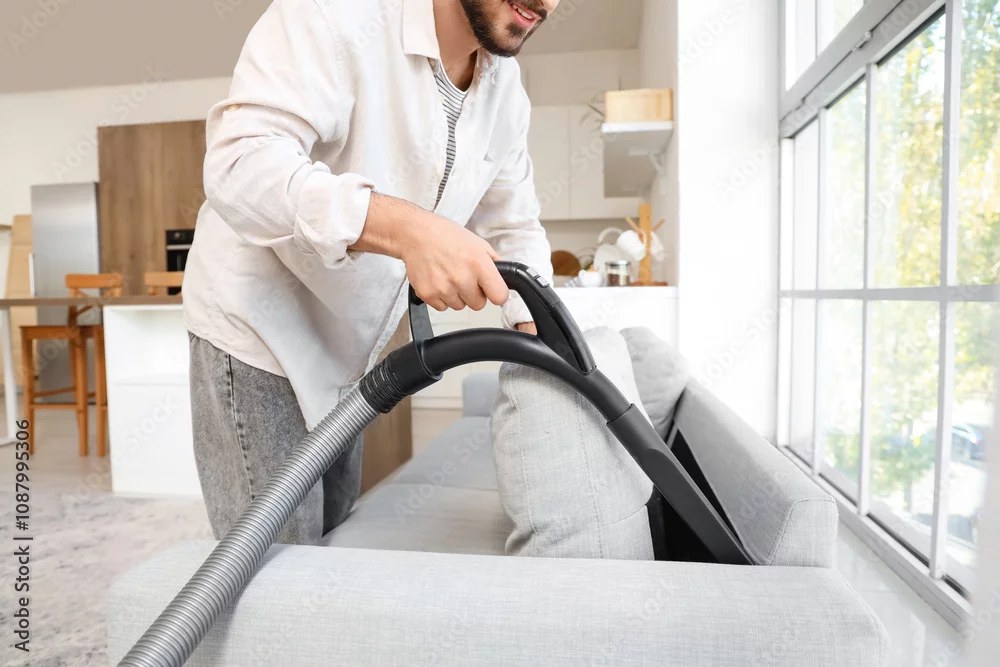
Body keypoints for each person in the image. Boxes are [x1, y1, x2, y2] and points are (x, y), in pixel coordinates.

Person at [182, 0, 559, 545]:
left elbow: (513, 226)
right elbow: (241, 166)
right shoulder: (336, 16)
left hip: (350, 355)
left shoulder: (506, 91)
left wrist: (544, 330)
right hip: (261, 330)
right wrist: (408, 230)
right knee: (279, 566)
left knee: (330, 541)